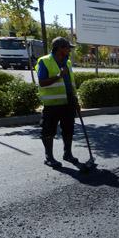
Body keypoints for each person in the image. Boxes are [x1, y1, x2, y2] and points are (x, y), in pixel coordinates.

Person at [36, 37, 80, 168]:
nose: (70, 51)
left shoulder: (68, 63)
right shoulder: (44, 61)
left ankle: (68, 154)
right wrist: (58, 76)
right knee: (48, 131)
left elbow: (70, 84)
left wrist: (75, 100)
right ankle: (49, 157)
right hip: (52, 105)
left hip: (69, 103)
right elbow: (42, 82)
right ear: (60, 48)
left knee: (68, 130)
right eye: (68, 48)